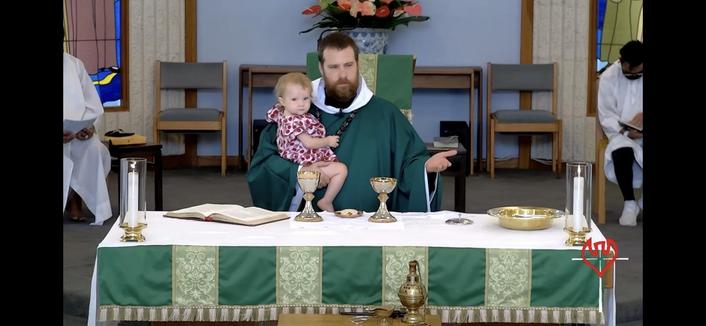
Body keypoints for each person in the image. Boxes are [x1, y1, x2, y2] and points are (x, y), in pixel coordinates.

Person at [247, 32, 456, 212]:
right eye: (334, 67)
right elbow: (264, 164)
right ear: (321, 68)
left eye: (348, 65)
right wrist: (303, 173)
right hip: (308, 227)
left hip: (370, 230)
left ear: (358, 63)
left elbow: (410, 162)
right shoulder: (292, 112)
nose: (343, 75)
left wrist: (425, 167)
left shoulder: (385, 114)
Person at [266, 72, 348, 212]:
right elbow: (309, 143)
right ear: (282, 101)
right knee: (341, 169)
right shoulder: (294, 122)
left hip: (299, 161)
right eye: (294, 99)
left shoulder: (281, 113)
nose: (301, 104)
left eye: (306, 98)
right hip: (305, 162)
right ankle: (326, 201)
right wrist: (328, 141)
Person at [597, 40, 643, 226]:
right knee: (621, 150)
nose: (636, 75)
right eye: (631, 72)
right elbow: (606, 114)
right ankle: (630, 203)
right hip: (620, 133)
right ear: (623, 64)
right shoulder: (609, 77)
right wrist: (625, 130)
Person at [64, 52, 112, 225]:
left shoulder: (74, 64)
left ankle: (76, 198)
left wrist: (89, 127)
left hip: (75, 133)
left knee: (94, 148)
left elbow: (92, 103)